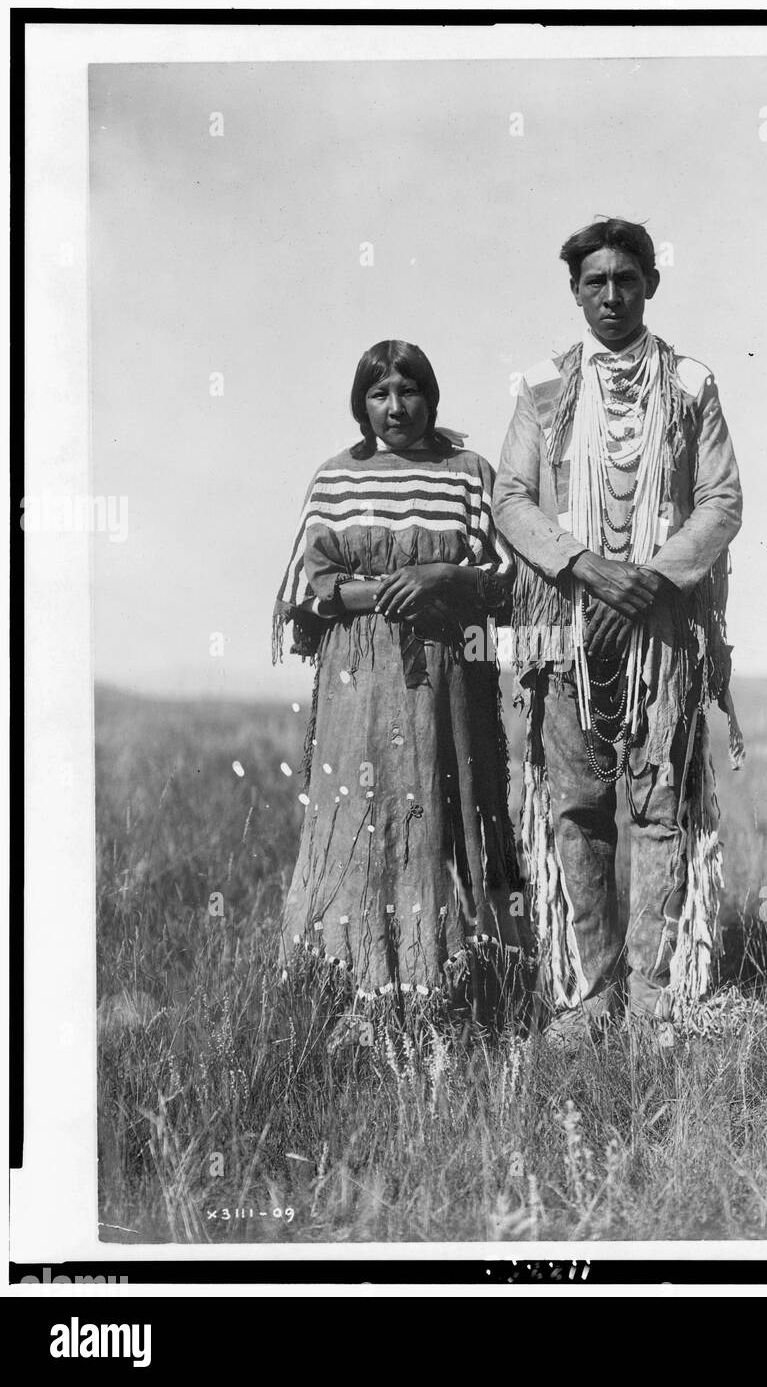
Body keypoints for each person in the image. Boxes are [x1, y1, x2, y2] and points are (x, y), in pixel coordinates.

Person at [493, 218, 745, 1045]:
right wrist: (583, 567)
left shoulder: (692, 383)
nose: (610, 295)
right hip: (565, 629)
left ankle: (651, 996)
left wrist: (651, 577)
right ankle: (593, 994)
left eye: (626, 279)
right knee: (577, 807)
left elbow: (720, 500)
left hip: (659, 637)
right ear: (574, 291)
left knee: (659, 806)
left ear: (650, 285)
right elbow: (510, 499)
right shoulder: (539, 387)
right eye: (594, 281)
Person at [273, 340, 531, 1032]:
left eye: (408, 392)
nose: (395, 407)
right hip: (356, 681)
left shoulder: (469, 474)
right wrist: (384, 594)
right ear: (360, 405)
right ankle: (349, 982)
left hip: (449, 677)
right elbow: (307, 587)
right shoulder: (335, 478)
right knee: (359, 811)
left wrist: (445, 578)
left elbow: (508, 577)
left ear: (431, 397)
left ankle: (461, 987)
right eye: (379, 394)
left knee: (448, 810)